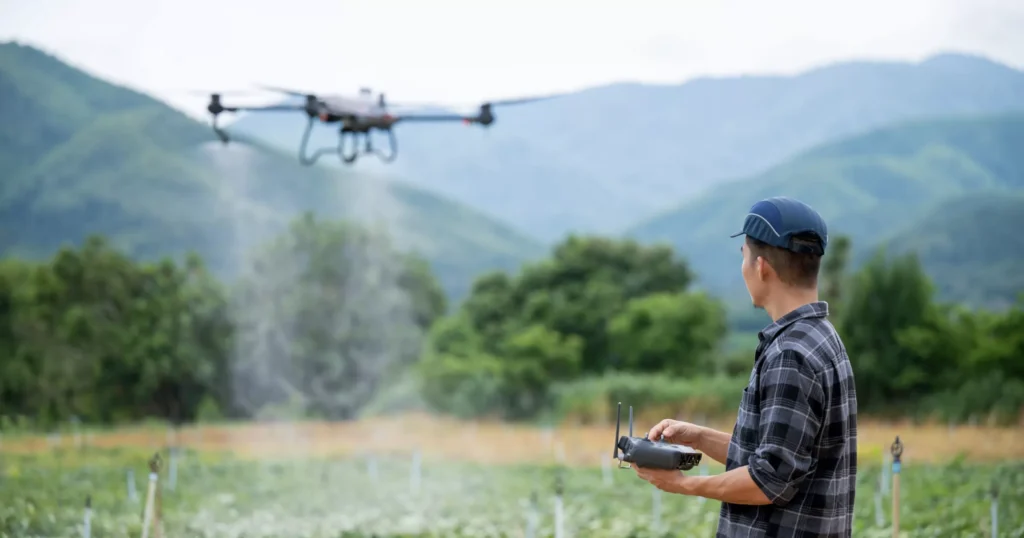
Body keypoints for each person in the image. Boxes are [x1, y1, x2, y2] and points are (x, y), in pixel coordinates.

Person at [633, 196, 858, 538]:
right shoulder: (822, 337)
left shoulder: (790, 354)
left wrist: (683, 485)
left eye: (744, 258)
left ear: (761, 266)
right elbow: (780, 457)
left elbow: (769, 481)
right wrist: (698, 437)